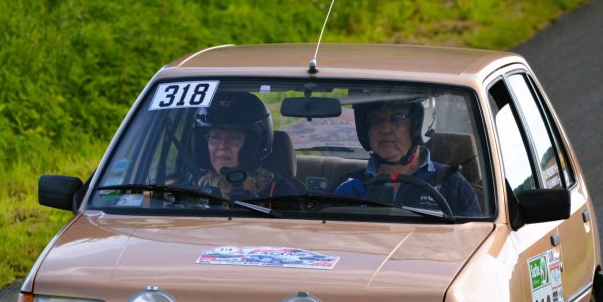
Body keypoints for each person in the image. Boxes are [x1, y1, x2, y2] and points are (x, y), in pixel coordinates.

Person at [334, 99, 482, 216]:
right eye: (376, 120)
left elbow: (474, 240)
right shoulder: (350, 185)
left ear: (418, 125)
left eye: (397, 119)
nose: (385, 129)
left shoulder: (451, 183)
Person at [188, 92, 298, 200]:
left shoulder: (280, 192)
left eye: (235, 138)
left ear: (253, 145)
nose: (223, 146)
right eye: (215, 137)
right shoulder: (189, 190)